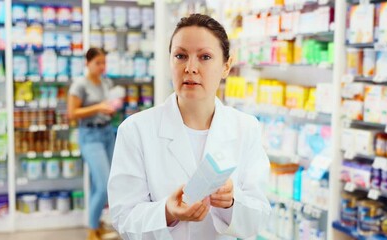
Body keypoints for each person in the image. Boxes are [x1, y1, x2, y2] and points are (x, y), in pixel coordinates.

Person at [108, 14, 271, 240]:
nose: (190, 68)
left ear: (226, 66)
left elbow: (259, 219)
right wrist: (167, 211)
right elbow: (123, 218)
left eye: (205, 56)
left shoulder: (246, 128)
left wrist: (232, 202)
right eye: (180, 56)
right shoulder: (135, 130)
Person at [68, 48, 117, 240]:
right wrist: (98, 107)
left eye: (104, 63)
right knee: (104, 184)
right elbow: (72, 114)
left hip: (107, 133)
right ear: (87, 63)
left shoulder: (106, 82)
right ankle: (91, 230)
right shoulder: (79, 85)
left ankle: (96, 223)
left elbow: (108, 104)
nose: (102, 67)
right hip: (90, 136)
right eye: (98, 63)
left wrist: (112, 107)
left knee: (106, 182)